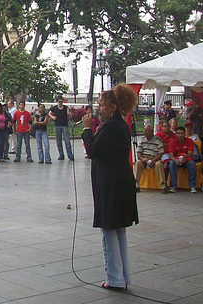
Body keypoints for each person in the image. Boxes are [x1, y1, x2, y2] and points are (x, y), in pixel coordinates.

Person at [82, 84, 139, 291]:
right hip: (119, 181)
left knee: (109, 229)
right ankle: (122, 276)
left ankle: (114, 278)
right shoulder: (118, 125)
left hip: (112, 184)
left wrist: (87, 129)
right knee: (118, 229)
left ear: (113, 107)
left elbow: (94, 150)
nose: (98, 107)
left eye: (101, 104)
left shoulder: (112, 126)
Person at [133, 125, 168, 194]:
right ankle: (136, 185)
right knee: (138, 163)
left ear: (152, 132)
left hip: (154, 159)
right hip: (145, 159)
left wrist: (154, 160)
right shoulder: (142, 139)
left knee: (159, 164)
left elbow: (160, 153)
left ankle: (163, 186)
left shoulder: (158, 140)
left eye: (147, 131)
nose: (145, 132)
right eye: (144, 130)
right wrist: (143, 159)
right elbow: (139, 152)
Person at [167, 126, 197, 194]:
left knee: (192, 163)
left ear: (185, 134)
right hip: (176, 160)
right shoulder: (172, 142)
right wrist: (176, 160)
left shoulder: (189, 141)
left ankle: (192, 186)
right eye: (178, 133)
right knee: (171, 164)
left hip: (187, 159)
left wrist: (184, 157)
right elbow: (171, 155)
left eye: (182, 133)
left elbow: (190, 153)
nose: (180, 135)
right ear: (176, 134)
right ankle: (173, 186)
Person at [49, 95, 74, 160]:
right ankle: (61, 154)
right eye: (59, 102)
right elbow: (49, 113)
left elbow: (70, 114)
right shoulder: (54, 108)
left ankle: (70, 155)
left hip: (64, 125)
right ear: (57, 102)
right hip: (57, 125)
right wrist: (53, 117)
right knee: (58, 141)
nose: (61, 103)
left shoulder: (65, 108)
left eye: (62, 102)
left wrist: (69, 115)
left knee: (67, 141)